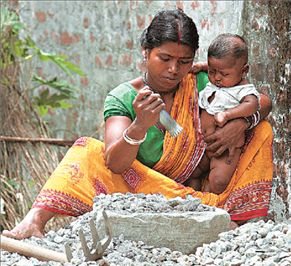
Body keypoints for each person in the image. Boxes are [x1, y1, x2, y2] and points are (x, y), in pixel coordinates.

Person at [2, 8, 273, 240]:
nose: (173, 70)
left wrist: (242, 121)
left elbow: (261, 101)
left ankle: (238, 218)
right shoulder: (124, 97)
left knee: (261, 129)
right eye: (164, 59)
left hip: (207, 191)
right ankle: (33, 222)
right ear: (145, 52)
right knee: (87, 151)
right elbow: (116, 164)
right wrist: (139, 127)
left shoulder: (202, 82)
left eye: (184, 62)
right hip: (147, 196)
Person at [186, 33, 261, 194]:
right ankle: (194, 200)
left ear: (244, 70)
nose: (217, 78)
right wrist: (201, 67)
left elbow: (253, 104)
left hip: (226, 149)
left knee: (219, 181)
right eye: (212, 71)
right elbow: (216, 68)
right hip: (202, 144)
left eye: (224, 74)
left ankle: (211, 201)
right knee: (191, 174)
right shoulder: (217, 77)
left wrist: (228, 114)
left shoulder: (242, 89)